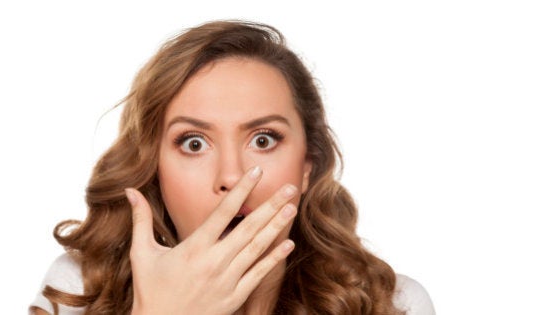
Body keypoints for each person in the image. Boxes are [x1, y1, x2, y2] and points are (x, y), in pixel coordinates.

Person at [30, 20, 435, 315]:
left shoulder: (394, 305)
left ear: (307, 167)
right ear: (154, 167)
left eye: (263, 140)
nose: (230, 178)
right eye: (193, 143)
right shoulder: (78, 288)